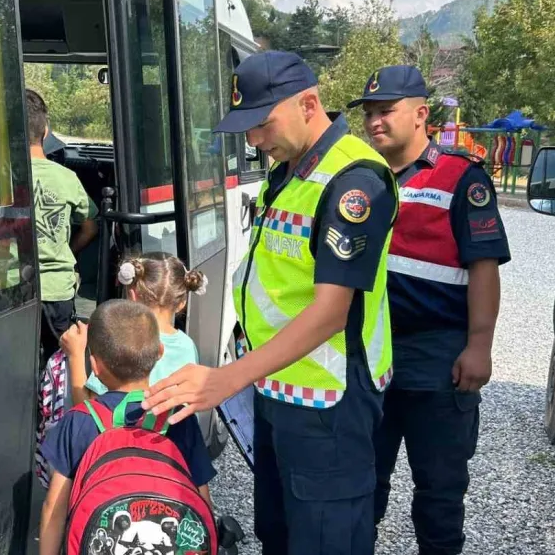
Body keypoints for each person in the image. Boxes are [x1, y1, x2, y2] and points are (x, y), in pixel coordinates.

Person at [142, 50, 399, 554]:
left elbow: (331, 311)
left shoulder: (355, 181)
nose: (255, 140)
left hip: (330, 402)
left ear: (309, 103)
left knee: (325, 542)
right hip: (277, 388)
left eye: (262, 123)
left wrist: (223, 380)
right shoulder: (291, 170)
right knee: (278, 535)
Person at [349, 65, 510, 555]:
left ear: (421, 114)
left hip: (437, 358)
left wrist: (479, 344)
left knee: (439, 495)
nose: (375, 121)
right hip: (370, 357)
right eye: (370, 113)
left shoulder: (462, 178)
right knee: (361, 487)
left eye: (386, 111)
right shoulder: (361, 177)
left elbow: (484, 266)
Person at [38, 299, 215, 555]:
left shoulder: (79, 420)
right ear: (160, 353)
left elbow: (53, 509)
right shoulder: (178, 417)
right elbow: (202, 500)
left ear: (95, 366)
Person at [0, 89, 98, 365]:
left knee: (16, 361)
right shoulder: (68, 178)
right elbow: (90, 227)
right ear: (45, 131)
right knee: (58, 362)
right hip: (58, 289)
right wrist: (67, 249)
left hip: (12, 287)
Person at [62, 252, 208, 405]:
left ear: (132, 295)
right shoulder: (188, 346)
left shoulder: (122, 339)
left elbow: (90, 413)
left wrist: (75, 356)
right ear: (182, 303)